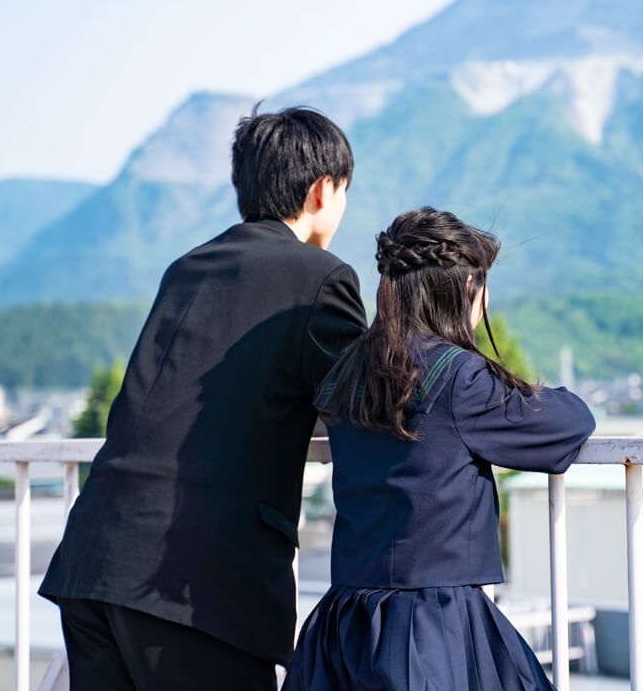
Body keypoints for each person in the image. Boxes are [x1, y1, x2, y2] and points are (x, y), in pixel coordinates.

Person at [39, 106, 367, 690]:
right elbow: (367, 400)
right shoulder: (321, 278)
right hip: (193, 584)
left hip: (94, 559)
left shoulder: (187, 266)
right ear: (324, 190)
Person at [284, 207, 595, 691]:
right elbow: (569, 424)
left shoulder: (346, 372)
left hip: (345, 623)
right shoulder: (458, 379)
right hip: (433, 627)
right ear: (464, 289)